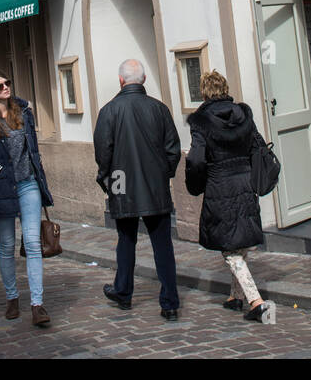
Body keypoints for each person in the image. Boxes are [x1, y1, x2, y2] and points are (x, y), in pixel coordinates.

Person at [94, 59, 182, 320]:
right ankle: (169, 302)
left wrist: (107, 179)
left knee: (126, 240)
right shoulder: (159, 109)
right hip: (154, 185)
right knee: (163, 245)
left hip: (122, 184)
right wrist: (162, 173)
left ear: (121, 81)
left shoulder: (109, 111)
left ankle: (123, 291)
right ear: (143, 80)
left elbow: (103, 151)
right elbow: (173, 149)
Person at [185, 70, 268, 322]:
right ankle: (235, 297)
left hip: (220, 185)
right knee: (238, 242)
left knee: (229, 249)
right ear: (225, 88)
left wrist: (194, 182)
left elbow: (197, 159)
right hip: (243, 181)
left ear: (204, 92)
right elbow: (257, 146)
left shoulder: (201, 121)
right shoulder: (244, 115)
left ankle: (256, 301)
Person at [0, 69, 53, 327]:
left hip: (28, 184)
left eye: (7, 83)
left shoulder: (23, 112)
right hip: (1, 189)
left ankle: (37, 304)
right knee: (7, 246)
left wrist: (40, 178)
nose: (6, 88)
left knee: (32, 242)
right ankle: (12, 298)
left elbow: (34, 150)